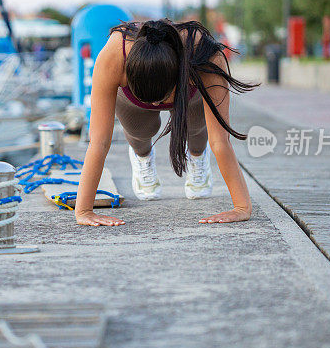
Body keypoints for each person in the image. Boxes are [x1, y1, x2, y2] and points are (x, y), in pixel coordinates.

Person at [74, 19, 257, 227]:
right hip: (132, 98)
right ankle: (141, 156)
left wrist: (241, 207)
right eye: (150, 101)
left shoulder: (205, 56)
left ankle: (197, 156)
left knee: (196, 127)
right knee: (141, 130)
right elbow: (99, 141)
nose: (155, 104)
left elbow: (220, 141)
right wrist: (84, 211)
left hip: (190, 90)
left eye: (159, 99)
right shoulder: (114, 55)